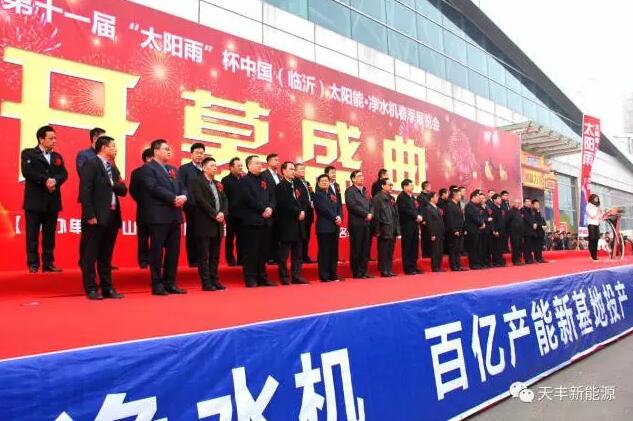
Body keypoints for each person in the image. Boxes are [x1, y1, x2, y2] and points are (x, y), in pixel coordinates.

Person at [78, 136, 127, 300]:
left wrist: (114, 184)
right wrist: (90, 215)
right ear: (104, 148)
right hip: (96, 217)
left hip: (112, 216)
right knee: (89, 255)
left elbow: (123, 190)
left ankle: (107, 288)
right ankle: (91, 288)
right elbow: (85, 191)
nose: (115, 149)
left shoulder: (112, 168)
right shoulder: (91, 164)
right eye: (113, 146)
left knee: (106, 255)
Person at [140, 139, 188, 295]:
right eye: (166, 149)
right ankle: (157, 284)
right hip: (158, 216)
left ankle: (170, 283)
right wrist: (173, 198)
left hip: (175, 216)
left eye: (169, 149)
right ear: (156, 151)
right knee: (157, 252)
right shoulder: (148, 168)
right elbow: (153, 187)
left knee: (173, 252)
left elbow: (183, 187)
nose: (169, 151)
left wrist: (184, 196)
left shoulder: (173, 169)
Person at [21, 125, 68, 273]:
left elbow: (64, 174)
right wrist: (45, 180)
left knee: (49, 235)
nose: (54, 141)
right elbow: (27, 172)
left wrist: (55, 181)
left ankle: (48, 263)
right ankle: (33, 264)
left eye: (55, 138)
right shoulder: (28, 153)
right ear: (41, 139)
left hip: (52, 202)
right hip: (34, 202)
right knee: (32, 235)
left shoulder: (57, 157)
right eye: (51, 138)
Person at [190, 157, 228, 291]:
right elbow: (200, 200)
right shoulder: (197, 181)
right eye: (212, 165)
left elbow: (225, 200)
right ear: (204, 168)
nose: (215, 168)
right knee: (204, 256)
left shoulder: (217, 183)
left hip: (218, 224)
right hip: (205, 223)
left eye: (215, 165)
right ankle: (206, 282)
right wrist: (214, 213)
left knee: (215, 256)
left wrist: (223, 213)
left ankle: (215, 280)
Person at [240, 155, 277, 287]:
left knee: (263, 251)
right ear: (249, 165)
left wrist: (271, 208)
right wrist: (263, 208)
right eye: (256, 163)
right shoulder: (245, 180)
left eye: (260, 163)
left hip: (266, 221)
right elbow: (248, 198)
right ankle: (250, 277)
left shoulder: (265, 179)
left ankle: (262, 277)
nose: (260, 165)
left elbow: (273, 196)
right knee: (251, 251)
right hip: (252, 221)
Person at [274, 162, 309, 285]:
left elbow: (304, 200)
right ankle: (284, 277)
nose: (293, 171)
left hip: (299, 224)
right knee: (284, 254)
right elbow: (284, 204)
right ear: (283, 171)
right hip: (287, 224)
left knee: (298, 253)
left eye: (294, 169)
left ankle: (296, 275)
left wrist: (303, 211)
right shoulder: (280, 186)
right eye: (291, 169)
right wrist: (298, 212)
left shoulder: (297, 185)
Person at [178, 142, 205, 267]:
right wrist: (188, 200)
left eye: (202, 153)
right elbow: (181, 186)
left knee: (204, 235)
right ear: (191, 154)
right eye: (197, 153)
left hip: (205, 208)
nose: (199, 155)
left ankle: (203, 260)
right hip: (192, 206)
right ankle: (193, 260)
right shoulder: (184, 169)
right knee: (192, 233)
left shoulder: (206, 168)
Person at [314, 174, 342, 282]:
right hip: (324, 228)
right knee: (324, 253)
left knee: (333, 253)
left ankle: (333, 275)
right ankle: (324, 276)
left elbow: (339, 207)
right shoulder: (317, 195)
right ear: (318, 183)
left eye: (326, 180)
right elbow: (324, 209)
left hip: (334, 227)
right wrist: (335, 217)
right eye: (322, 181)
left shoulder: (332, 194)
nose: (325, 182)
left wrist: (339, 216)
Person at [345, 170, 373, 279]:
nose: (362, 177)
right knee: (356, 248)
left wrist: (371, 214)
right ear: (353, 179)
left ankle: (364, 271)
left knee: (365, 248)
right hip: (356, 223)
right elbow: (352, 206)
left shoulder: (365, 191)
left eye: (362, 176)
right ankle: (357, 272)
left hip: (367, 223)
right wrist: (365, 214)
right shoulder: (350, 191)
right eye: (359, 176)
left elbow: (371, 204)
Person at [129, 148, 153, 269]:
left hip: (160, 212)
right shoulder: (137, 172)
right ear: (148, 158)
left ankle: (156, 261)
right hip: (144, 210)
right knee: (143, 238)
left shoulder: (163, 171)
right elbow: (133, 190)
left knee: (157, 239)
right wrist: (144, 201)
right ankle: (143, 261)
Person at [372, 178, 400, 277]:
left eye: (392, 185)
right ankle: (384, 270)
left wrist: (397, 230)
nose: (391, 187)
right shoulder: (377, 198)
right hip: (384, 227)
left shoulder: (392, 198)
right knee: (383, 251)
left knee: (390, 251)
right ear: (383, 186)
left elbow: (396, 215)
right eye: (389, 185)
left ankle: (389, 269)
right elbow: (376, 215)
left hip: (392, 228)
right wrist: (377, 230)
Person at [397, 179, 423, 275]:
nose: (412, 187)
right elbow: (404, 210)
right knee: (407, 247)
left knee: (414, 247)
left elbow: (417, 208)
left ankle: (414, 266)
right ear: (405, 187)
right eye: (411, 185)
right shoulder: (401, 197)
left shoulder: (412, 197)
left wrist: (419, 215)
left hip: (414, 225)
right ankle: (408, 268)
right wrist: (416, 216)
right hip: (406, 225)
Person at [221, 157, 244, 266]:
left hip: (243, 215)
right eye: (238, 166)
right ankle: (230, 259)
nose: (241, 167)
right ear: (231, 167)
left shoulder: (244, 179)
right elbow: (224, 198)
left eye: (241, 166)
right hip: (231, 214)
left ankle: (241, 259)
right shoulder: (225, 180)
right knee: (230, 237)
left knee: (242, 239)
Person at [262, 153, 282, 264]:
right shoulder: (263, 175)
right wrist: (269, 207)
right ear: (268, 162)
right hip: (269, 208)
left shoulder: (279, 176)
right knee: (268, 234)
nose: (278, 162)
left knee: (277, 234)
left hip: (279, 210)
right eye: (275, 160)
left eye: (278, 160)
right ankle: (268, 257)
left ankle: (276, 256)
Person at [294, 163, 315, 263]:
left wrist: (313, 201)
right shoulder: (294, 182)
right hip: (301, 212)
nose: (303, 171)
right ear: (295, 171)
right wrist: (306, 203)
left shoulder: (307, 183)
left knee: (307, 236)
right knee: (300, 237)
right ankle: (299, 257)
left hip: (309, 213)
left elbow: (312, 195)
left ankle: (305, 255)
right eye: (301, 169)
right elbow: (298, 198)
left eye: (304, 169)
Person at [445, 189, 466, 271]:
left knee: (458, 249)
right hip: (454, 231)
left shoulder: (457, 205)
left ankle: (458, 265)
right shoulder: (449, 205)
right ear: (455, 196)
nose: (461, 197)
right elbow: (450, 219)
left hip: (460, 230)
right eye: (459, 195)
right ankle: (453, 266)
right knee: (453, 249)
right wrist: (454, 230)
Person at [465, 191, 485, 270]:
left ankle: (477, 263)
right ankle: (473, 264)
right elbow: (473, 217)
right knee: (473, 248)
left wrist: (482, 223)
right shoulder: (469, 206)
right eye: (478, 197)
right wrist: (481, 223)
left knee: (477, 247)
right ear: (473, 197)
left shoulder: (475, 206)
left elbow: (479, 216)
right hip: (472, 230)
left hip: (477, 229)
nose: (479, 199)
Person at [426, 191, 445, 272]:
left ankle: (439, 266)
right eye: (436, 197)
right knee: (435, 250)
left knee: (440, 250)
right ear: (431, 198)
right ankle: (435, 267)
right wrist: (432, 234)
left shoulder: (436, 207)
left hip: (440, 232)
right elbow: (429, 222)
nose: (437, 198)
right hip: (434, 232)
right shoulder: (428, 208)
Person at [586, 193, 609, 261]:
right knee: (592, 240)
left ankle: (595, 256)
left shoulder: (596, 207)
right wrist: (597, 209)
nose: (597, 200)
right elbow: (592, 215)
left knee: (596, 240)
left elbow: (600, 217)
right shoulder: (589, 206)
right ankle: (593, 256)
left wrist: (603, 214)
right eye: (596, 198)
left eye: (598, 199)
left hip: (596, 225)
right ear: (592, 198)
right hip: (591, 225)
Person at [489, 194, 507, 267]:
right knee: (496, 247)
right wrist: (494, 230)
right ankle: (496, 261)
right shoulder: (492, 208)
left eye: (500, 198)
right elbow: (492, 221)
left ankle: (500, 260)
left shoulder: (501, 208)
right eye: (498, 198)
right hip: (496, 230)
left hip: (502, 230)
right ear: (494, 200)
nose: (500, 200)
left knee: (501, 246)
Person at [506, 199, 524, 265]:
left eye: (519, 203)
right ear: (513, 203)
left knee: (519, 246)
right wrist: (510, 230)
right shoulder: (510, 211)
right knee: (515, 246)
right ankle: (515, 260)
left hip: (520, 232)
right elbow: (507, 221)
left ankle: (519, 259)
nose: (518, 204)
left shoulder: (519, 211)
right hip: (514, 232)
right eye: (516, 203)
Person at [479, 191, 493, 268]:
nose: (482, 200)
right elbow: (479, 218)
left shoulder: (487, 207)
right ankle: (483, 262)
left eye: (483, 198)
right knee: (482, 247)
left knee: (489, 247)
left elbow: (491, 215)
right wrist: (487, 219)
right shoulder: (477, 207)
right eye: (480, 198)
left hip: (489, 229)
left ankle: (488, 262)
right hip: (482, 229)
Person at [521, 198, 537, 264]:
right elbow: (527, 218)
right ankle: (527, 259)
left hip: (532, 230)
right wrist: (533, 223)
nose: (528, 203)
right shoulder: (522, 210)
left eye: (529, 201)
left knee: (530, 245)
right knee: (526, 245)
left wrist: (535, 223)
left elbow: (534, 218)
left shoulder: (531, 210)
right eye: (527, 201)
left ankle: (530, 258)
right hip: (526, 230)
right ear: (524, 202)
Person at [532, 199, 547, 263]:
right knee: (537, 245)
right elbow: (534, 221)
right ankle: (537, 258)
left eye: (538, 204)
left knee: (540, 245)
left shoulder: (539, 212)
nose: (538, 205)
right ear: (533, 205)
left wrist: (545, 225)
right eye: (536, 204)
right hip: (536, 231)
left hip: (541, 231)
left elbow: (542, 220)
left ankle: (540, 258)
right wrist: (541, 226)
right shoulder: (532, 212)